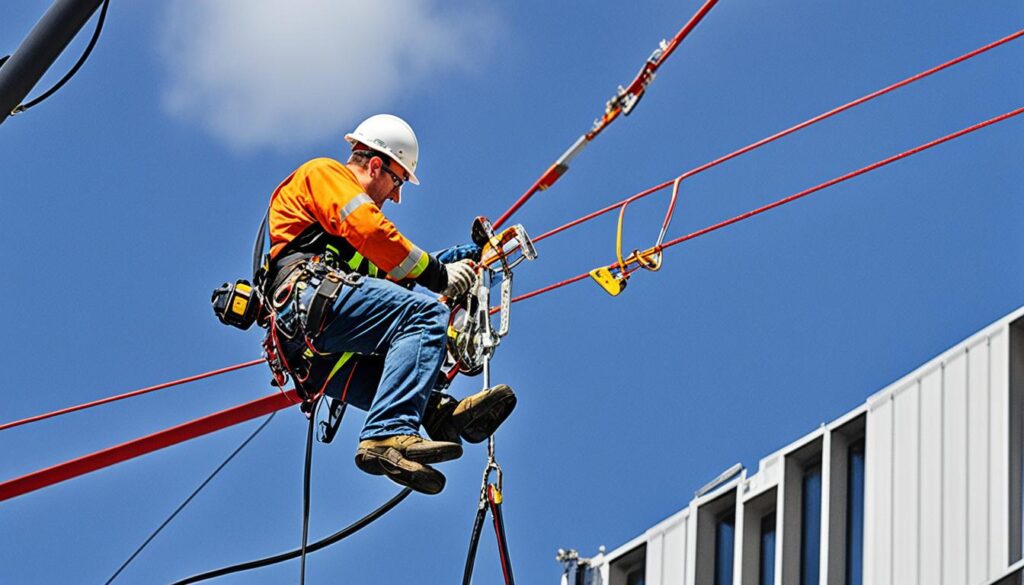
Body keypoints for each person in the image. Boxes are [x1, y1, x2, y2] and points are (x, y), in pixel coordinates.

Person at [260, 114, 516, 495]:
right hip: (312, 302)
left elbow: (392, 277)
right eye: (397, 181)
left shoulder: (354, 241)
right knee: (424, 314)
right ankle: (387, 434)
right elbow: (373, 234)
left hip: (318, 356)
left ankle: (437, 413)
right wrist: (439, 277)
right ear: (376, 164)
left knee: (404, 363)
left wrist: (468, 257)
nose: (396, 196)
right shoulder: (327, 175)